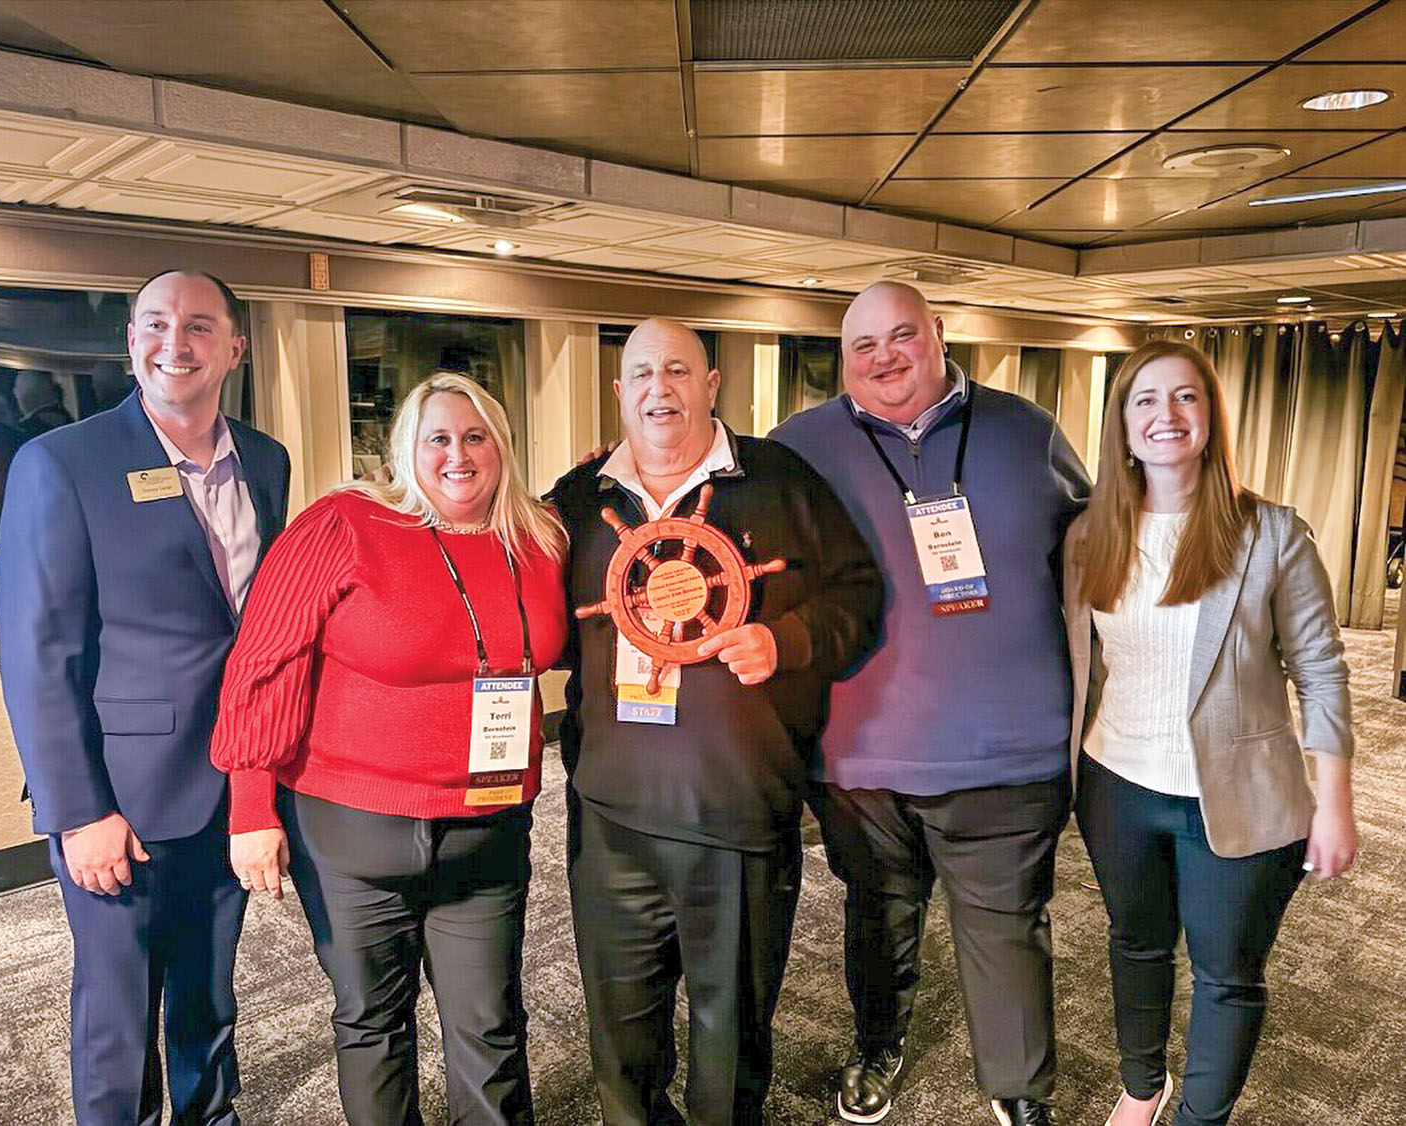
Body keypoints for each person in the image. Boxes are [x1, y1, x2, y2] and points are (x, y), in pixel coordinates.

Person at [770, 281, 1090, 1126]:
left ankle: (1020, 1087)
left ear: (939, 333)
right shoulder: (798, 448)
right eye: (862, 346)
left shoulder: (1028, 433)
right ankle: (878, 1043)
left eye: (902, 335)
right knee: (878, 916)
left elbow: (1105, 553)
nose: (884, 359)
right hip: (859, 752)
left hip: (1010, 746)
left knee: (1008, 926)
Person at [549, 318, 883, 1126]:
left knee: (730, 1041)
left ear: (711, 384)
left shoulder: (780, 479)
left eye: (677, 370)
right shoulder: (578, 498)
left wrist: (786, 638)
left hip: (737, 815)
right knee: (619, 1042)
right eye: (641, 374)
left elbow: (860, 595)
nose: (658, 389)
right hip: (611, 818)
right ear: (620, 391)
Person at [210, 372, 567, 1126]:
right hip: (352, 829)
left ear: (502, 447)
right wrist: (250, 806)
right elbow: (264, 664)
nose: (458, 455)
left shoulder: (538, 537)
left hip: (488, 822)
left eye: (476, 436)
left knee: (491, 1024)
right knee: (373, 1022)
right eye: (437, 437)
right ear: (406, 447)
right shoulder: (342, 524)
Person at [0, 269, 291, 1124]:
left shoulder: (263, 461)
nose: (177, 344)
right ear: (130, 342)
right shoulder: (62, 462)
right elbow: (37, 653)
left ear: (234, 346)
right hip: (118, 799)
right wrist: (78, 810)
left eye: (200, 326)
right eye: (157, 324)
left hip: (230, 785)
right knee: (119, 1016)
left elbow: (253, 629)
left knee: (207, 995)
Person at [1062, 340, 1356, 1126]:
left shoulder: (1271, 535)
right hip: (1115, 783)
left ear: (1210, 418)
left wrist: (1334, 803)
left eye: (1186, 397)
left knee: (1226, 973)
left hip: (1237, 800)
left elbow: (1321, 672)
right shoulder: (1090, 537)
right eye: (1146, 400)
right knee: (1136, 943)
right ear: (1122, 426)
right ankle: (1141, 1084)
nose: (1167, 416)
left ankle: (1201, 1116)